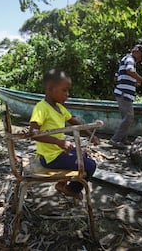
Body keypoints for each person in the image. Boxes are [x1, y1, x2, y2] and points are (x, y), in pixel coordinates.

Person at [29, 69, 100, 200]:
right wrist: (59, 142)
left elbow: (75, 123)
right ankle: (71, 189)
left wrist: (91, 135)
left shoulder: (60, 108)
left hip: (59, 153)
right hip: (50, 158)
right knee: (91, 165)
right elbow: (33, 133)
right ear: (50, 89)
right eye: (64, 90)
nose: (67, 94)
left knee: (83, 154)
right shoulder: (41, 108)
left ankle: (61, 185)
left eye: (68, 91)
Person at [110, 44, 142, 149]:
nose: (140, 60)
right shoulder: (130, 59)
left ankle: (122, 139)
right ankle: (115, 140)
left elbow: (116, 78)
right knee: (129, 116)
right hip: (123, 93)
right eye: (141, 56)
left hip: (122, 92)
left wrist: (133, 81)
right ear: (136, 51)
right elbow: (130, 71)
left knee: (126, 117)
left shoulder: (125, 59)